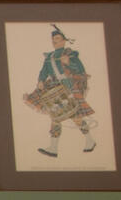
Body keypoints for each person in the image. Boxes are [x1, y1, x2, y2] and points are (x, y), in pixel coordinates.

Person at [23, 25, 98, 157]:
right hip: (54, 87)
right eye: (53, 39)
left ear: (64, 41)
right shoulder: (49, 57)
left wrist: (69, 63)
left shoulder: (70, 54)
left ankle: (89, 141)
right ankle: (54, 148)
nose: (54, 41)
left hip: (69, 86)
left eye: (57, 39)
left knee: (75, 117)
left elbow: (80, 70)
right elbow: (44, 71)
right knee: (56, 116)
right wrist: (40, 80)